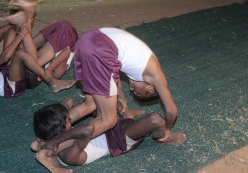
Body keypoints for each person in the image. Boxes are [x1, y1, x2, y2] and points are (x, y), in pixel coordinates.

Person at [42, 27, 185, 163]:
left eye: (135, 93)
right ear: (149, 90)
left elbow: (114, 68)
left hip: (88, 40)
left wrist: (122, 100)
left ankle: (52, 131)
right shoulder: (157, 77)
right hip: (100, 51)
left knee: (90, 104)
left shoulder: (146, 64)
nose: (132, 89)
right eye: (136, 92)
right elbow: (171, 111)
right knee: (108, 120)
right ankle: (53, 143)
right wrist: (166, 131)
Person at [30, 96, 186, 173]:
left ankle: (127, 116)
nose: (70, 119)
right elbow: (87, 130)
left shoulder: (54, 139)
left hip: (107, 129)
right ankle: (162, 138)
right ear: (61, 131)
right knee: (155, 119)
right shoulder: (67, 155)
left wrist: (46, 142)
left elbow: (68, 101)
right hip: (118, 142)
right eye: (68, 121)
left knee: (94, 102)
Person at [0, 0, 75, 97]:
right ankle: (51, 82)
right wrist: (21, 34)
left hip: (5, 72)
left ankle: (25, 18)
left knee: (10, 33)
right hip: (11, 86)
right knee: (20, 53)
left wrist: (8, 23)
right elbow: (3, 58)